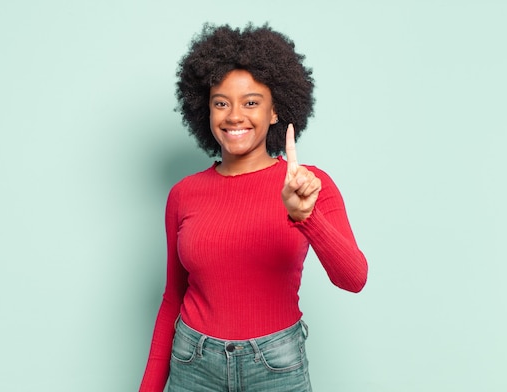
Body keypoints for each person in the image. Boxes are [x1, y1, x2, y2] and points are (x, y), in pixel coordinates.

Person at [139, 23, 368, 392]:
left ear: (275, 111)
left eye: (250, 102)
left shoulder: (309, 186)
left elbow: (354, 278)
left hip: (276, 366)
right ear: (206, 109)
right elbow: (172, 299)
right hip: (193, 363)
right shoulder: (184, 194)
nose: (233, 116)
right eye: (220, 102)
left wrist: (305, 217)